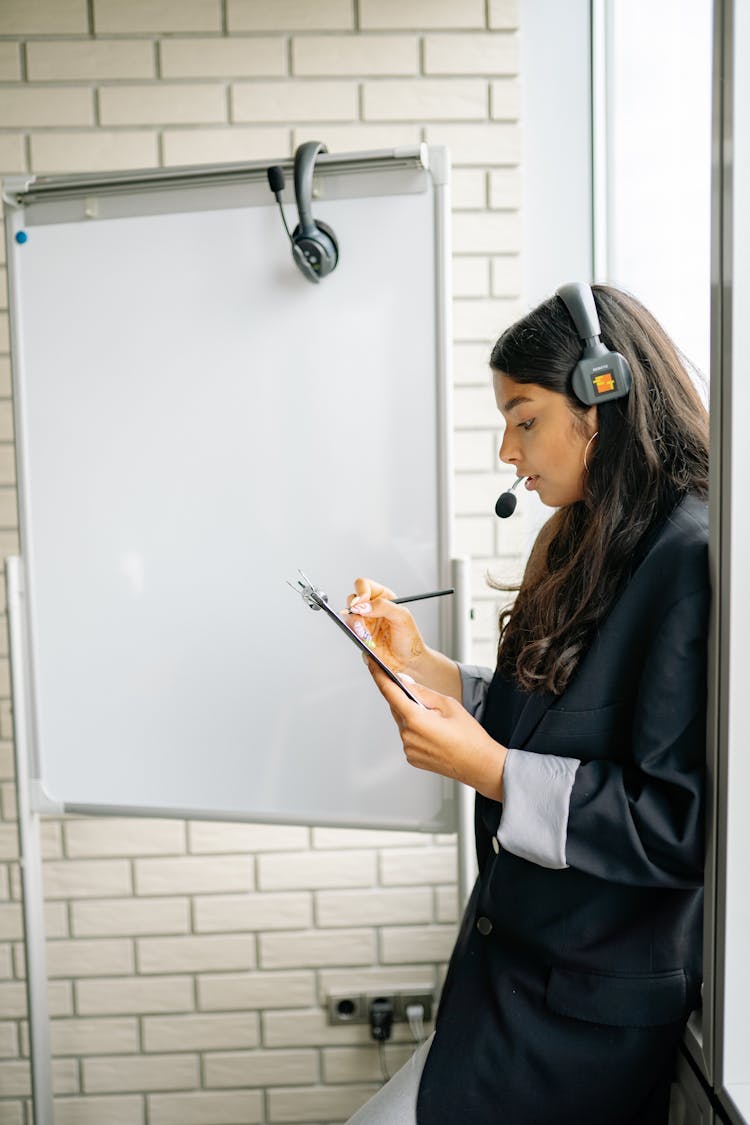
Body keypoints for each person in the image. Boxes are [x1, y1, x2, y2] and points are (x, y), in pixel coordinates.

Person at [344, 283, 709, 1125]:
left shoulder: (686, 558)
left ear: (604, 395)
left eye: (524, 417)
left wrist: (493, 770)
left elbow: (673, 824)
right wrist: (429, 669)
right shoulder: (587, 534)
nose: (509, 451)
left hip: (582, 1022)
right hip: (512, 980)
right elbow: (557, 712)